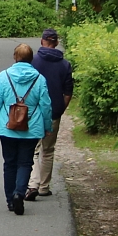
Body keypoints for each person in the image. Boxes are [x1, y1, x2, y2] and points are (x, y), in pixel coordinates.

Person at [0, 42, 53, 215]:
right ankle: (19, 193)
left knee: (9, 163)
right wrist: (47, 126)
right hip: (31, 128)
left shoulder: (4, 77)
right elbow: (46, 105)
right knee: (25, 162)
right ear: (31, 59)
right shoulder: (39, 79)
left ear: (15, 57)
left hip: (7, 128)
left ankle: (10, 200)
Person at [30, 27, 75, 198]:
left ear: (42, 41)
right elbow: (68, 92)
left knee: (33, 149)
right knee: (48, 150)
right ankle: (44, 186)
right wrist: (60, 109)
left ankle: (32, 183)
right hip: (54, 112)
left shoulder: (33, 62)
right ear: (56, 42)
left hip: (33, 112)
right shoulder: (65, 64)